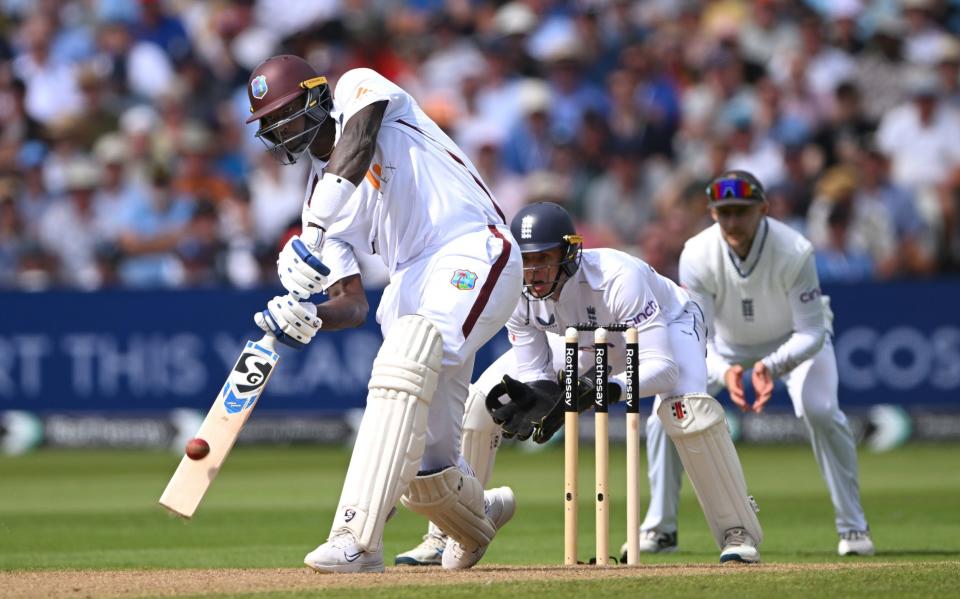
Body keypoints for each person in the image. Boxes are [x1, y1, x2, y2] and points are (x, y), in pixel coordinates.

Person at [245, 55, 523, 573]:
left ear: (316, 99)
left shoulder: (359, 88)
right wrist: (307, 316)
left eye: (285, 115)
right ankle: (479, 512)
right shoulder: (316, 207)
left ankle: (355, 538)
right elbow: (351, 304)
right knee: (426, 468)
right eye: (268, 125)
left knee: (403, 362)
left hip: (469, 246)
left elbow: (357, 145)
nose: (280, 131)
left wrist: (312, 235)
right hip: (410, 282)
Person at [396, 201, 763, 566]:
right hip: (581, 338)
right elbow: (536, 375)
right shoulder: (515, 295)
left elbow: (662, 368)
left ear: (569, 253)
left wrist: (604, 389)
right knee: (479, 404)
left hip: (669, 326)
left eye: (544, 258)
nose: (533, 271)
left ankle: (738, 532)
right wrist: (542, 399)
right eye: (525, 260)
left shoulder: (620, 277)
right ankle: (452, 530)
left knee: (686, 411)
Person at [656, 169, 874, 556]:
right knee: (667, 410)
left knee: (820, 409)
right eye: (724, 213)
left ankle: (853, 527)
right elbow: (696, 335)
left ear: (764, 209)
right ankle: (660, 528)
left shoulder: (795, 250)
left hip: (793, 344)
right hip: (725, 347)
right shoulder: (697, 253)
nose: (733, 222)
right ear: (712, 213)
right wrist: (726, 370)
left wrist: (768, 367)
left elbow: (811, 332)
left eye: (742, 211)